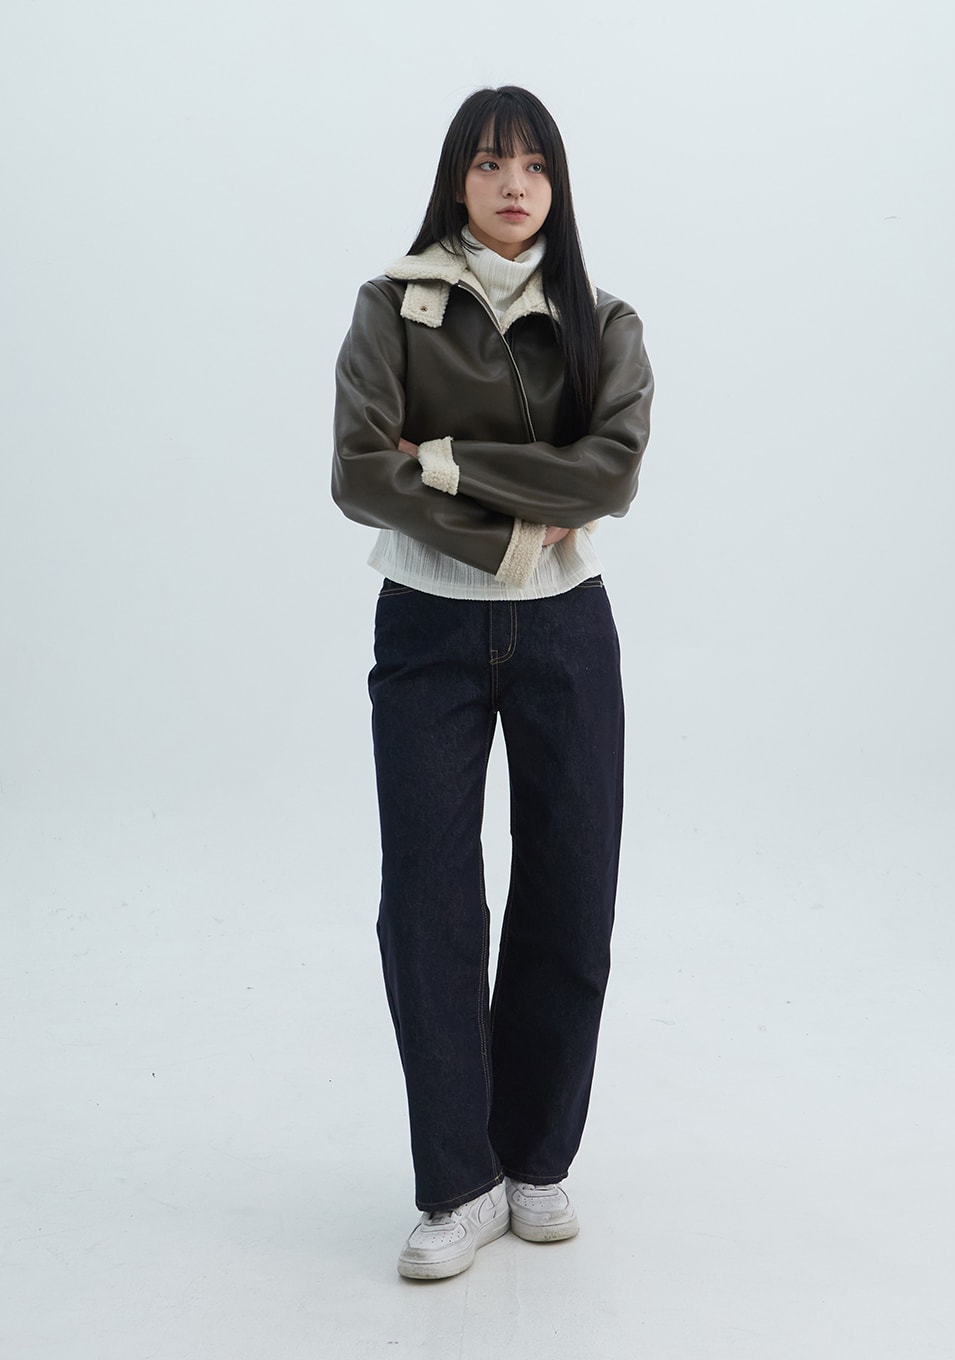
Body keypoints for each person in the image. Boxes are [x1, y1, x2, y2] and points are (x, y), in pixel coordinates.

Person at [332, 85, 653, 1280]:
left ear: (556, 184)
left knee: (571, 892)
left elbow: (610, 474)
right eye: (486, 163)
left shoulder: (601, 319)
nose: (512, 185)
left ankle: (536, 1160)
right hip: (426, 625)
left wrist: (447, 458)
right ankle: (456, 1181)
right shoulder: (392, 304)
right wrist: (524, 517)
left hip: (567, 629)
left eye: (532, 165)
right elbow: (358, 473)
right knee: (427, 901)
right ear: (454, 180)